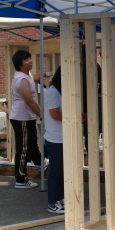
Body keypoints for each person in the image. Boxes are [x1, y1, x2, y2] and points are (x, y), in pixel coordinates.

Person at [9, 50, 42, 189]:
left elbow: (34, 78)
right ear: (20, 63)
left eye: (30, 58)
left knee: (32, 144)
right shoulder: (21, 79)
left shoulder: (27, 75)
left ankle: (41, 162)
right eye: (26, 59)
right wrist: (42, 115)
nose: (30, 61)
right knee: (23, 149)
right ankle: (21, 179)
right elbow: (29, 101)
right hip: (21, 118)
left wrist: (47, 75)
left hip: (27, 117)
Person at [44, 66, 65, 213]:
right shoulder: (53, 92)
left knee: (63, 171)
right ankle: (52, 202)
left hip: (63, 137)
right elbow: (55, 114)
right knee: (56, 171)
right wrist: (75, 114)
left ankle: (60, 198)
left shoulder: (62, 91)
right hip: (55, 138)